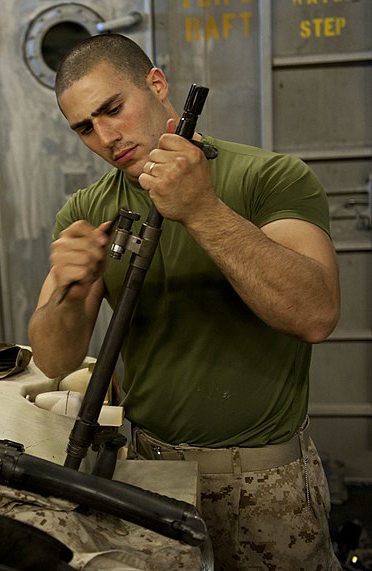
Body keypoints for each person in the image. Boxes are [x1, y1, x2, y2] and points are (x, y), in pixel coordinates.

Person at [27, 33, 341, 569]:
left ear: (156, 84)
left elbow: (314, 315)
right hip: (149, 472)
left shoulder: (268, 177)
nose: (105, 136)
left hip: (264, 481)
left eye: (112, 109)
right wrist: (68, 288)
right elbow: (53, 361)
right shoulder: (89, 210)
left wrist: (202, 210)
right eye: (84, 127)